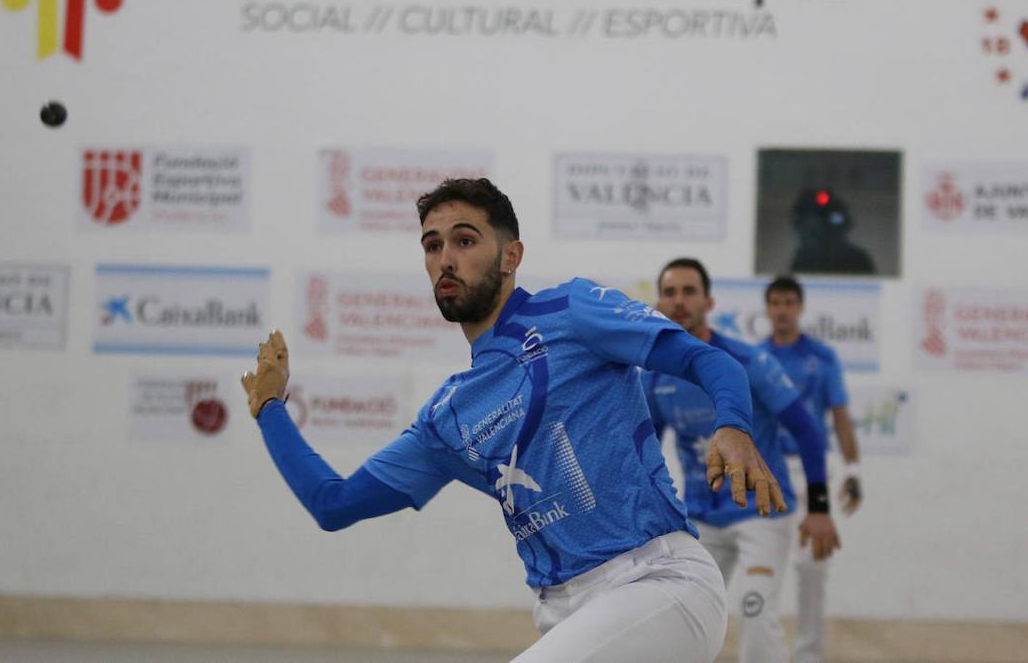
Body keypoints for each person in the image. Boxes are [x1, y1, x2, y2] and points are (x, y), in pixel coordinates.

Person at [241, 178, 786, 662]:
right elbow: (333, 504)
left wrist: (733, 425)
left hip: (660, 584)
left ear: (511, 255)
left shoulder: (571, 311)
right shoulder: (446, 415)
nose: (445, 258)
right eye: (433, 246)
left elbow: (707, 359)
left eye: (465, 240)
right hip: (566, 615)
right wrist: (270, 409)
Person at [642, 258, 840, 663]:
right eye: (670, 292)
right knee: (680, 622)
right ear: (659, 303)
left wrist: (819, 507)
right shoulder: (655, 376)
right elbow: (645, 450)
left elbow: (806, 431)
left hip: (761, 514)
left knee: (754, 609)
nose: (679, 301)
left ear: (709, 301)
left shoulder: (749, 362)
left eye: (689, 291)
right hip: (700, 520)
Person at [762, 275, 863, 663]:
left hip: (812, 472)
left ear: (800, 308)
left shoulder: (822, 358)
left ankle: (808, 656)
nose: (783, 310)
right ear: (767, 309)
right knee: (763, 564)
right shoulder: (755, 357)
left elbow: (840, 416)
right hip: (770, 470)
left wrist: (853, 469)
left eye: (789, 302)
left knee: (812, 567)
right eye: (776, 302)